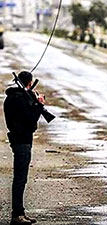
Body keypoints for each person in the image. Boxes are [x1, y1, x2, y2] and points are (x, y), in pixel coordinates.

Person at [3, 71, 45, 225]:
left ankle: (20, 213)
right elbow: (30, 118)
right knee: (20, 179)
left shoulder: (13, 97)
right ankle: (17, 215)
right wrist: (39, 104)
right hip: (22, 141)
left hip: (20, 139)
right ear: (28, 83)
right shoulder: (19, 99)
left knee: (21, 178)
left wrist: (34, 101)